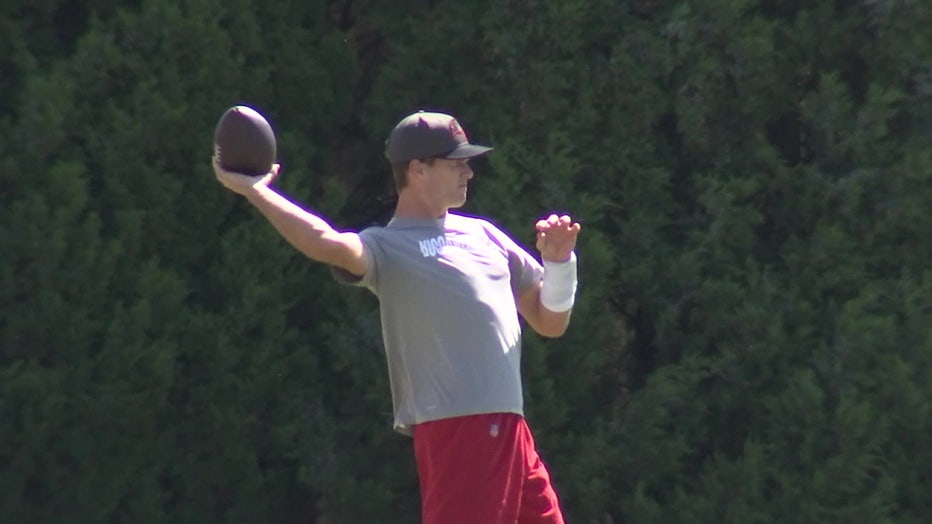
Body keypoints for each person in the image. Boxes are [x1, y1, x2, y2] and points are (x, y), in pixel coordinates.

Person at [213, 109, 581, 524]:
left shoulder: (485, 235)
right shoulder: (387, 247)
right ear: (417, 168)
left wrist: (560, 264)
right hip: (459, 428)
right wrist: (257, 191)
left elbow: (551, 322)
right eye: (456, 162)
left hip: (510, 429)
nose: (468, 173)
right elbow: (326, 243)